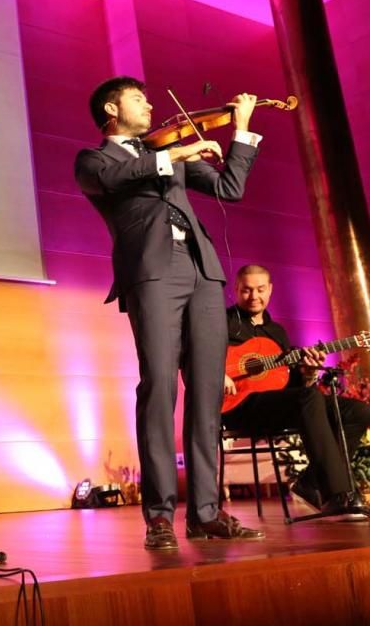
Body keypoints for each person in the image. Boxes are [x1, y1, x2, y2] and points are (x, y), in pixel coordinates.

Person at [74, 76, 264, 549]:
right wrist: (169, 156)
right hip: (154, 273)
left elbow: (230, 186)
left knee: (205, 393)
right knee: (159, 385)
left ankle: (205, 512)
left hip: (203, 272)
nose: (150, 103)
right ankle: (159, 515)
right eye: (138, 98)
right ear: (111, 110)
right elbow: (116, 179)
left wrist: (241, 130)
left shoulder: (169, 156)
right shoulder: (95, 160)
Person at [223, 264, 370, 514]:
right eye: (247, 290)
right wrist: (218, 373)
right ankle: (337, 493)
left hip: (278, 406)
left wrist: (308, 372)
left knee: (357, 411)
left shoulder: (277, 332)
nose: (254, 296)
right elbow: (196, 356)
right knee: (309, 397)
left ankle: (311, 481)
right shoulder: (221, 325)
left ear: (270, 290)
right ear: (236, 291)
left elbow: (291, 385)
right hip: (239, 406)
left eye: (260, 289)